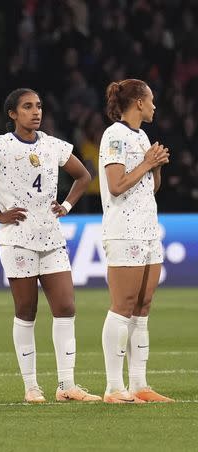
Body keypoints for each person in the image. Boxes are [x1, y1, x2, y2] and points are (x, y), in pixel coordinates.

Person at [0, 88, 100, 403]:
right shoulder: (1, 147)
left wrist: (67, 205)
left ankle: (66, 386)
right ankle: (32, 387)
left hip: (51, 236)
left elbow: (84, 176)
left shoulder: (52, 144)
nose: (36, 112)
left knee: (65, 307)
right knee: (26, 310)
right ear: (12, 114)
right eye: (27, 107)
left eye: (38, 106)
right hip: (18, 239)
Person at [98, 79, 173, 403]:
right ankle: (114, 387)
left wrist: (155, 168)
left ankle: (139, 385)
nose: (155, 106)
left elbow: (147, 188)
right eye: (151, 100)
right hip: (123, 230)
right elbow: (116, 185)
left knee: (142, 308)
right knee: (122, 306)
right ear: (139, 103)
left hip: (147, 229)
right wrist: (147, 163)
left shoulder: (140, 136)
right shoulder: (114, 135)